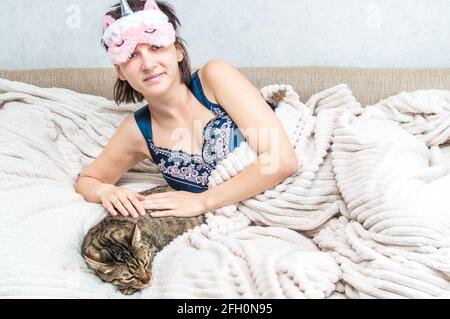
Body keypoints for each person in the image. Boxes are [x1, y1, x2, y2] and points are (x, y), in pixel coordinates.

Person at [75, 0, 298, 219]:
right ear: (120, 71)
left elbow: (282, 160)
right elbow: (88, 181)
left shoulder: (214, 77)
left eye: (156, 47)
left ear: (178, 51)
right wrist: (106, 191)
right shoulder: (137, 131)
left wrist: (202, 201)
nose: (148, 64)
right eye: (132, 55)